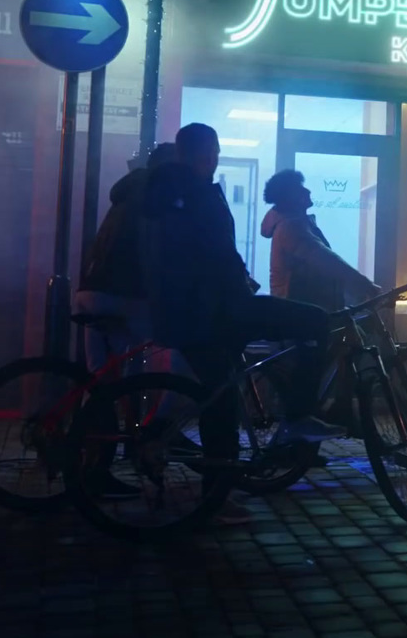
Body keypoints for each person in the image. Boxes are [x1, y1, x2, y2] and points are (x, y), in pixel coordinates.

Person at [140, 123, 344, 524]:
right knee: (315, 322)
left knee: (221, 394)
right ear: (207, 152)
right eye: (213, 152)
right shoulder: (195, 193)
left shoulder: (164, 193)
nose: (214, 160)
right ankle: (297, 416)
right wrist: (241, 287)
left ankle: (212, 491)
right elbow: (214, 253)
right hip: (215, 310)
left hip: (190, 310)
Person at [74, 141, 177, 500]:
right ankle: (158, 433)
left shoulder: (128, 191)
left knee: (106, 383)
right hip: (121, 297)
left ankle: (98, 460)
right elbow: (157, 255)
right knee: (181, 349)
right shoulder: (154, 194)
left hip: (92, 291)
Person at [259, 169, 380, 313]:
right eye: (300, 188)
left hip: (303, 311)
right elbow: (326, 260)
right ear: (291, 197)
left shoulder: (294, 225)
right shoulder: (291, 229)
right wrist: (366, 287)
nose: (308, 191)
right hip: (300, 316)